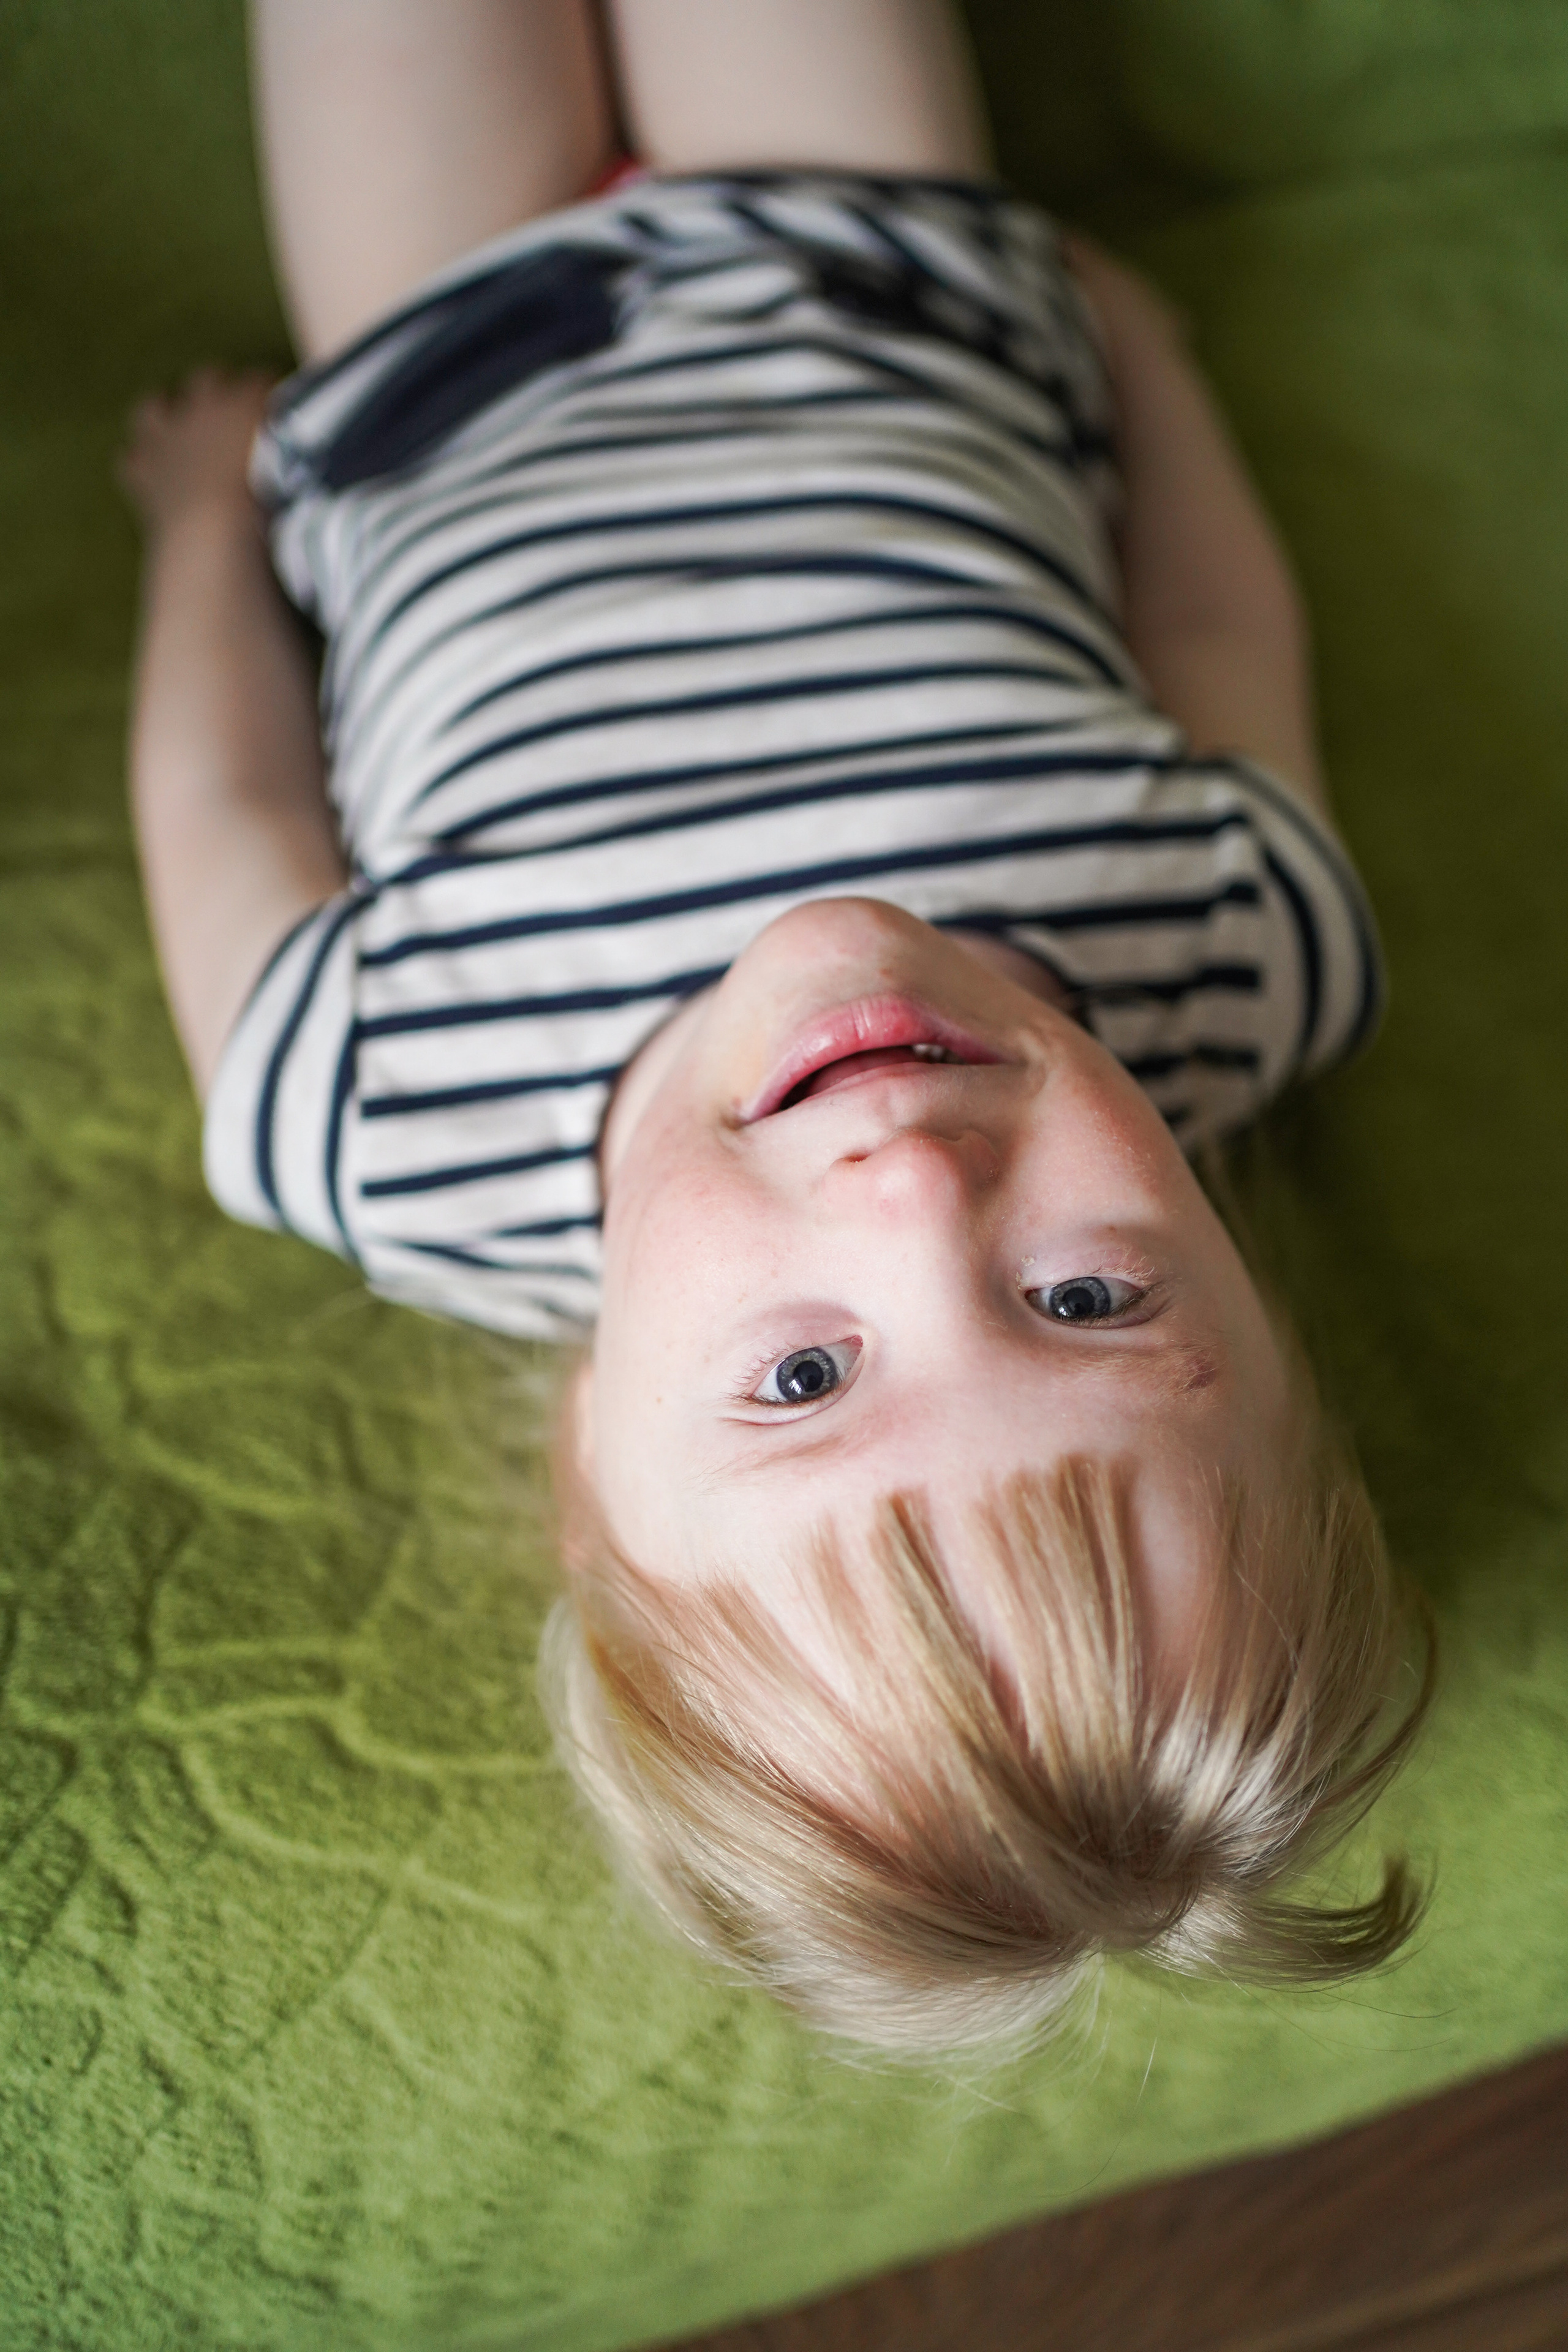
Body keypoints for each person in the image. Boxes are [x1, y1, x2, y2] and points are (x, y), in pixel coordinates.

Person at [119, 0, 1431, 2059]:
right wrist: (1153, 373)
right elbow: (1211, 629)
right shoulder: (1244, 950)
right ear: (1253, 1301)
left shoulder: (372, 1124)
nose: (912, 1194)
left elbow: (230, 805)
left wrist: (208, 527)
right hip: (881, 271)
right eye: (1087, 1300)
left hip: (445, 356)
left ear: (591, 1467)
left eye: (809, 1376)